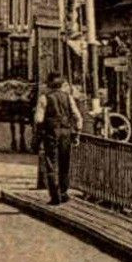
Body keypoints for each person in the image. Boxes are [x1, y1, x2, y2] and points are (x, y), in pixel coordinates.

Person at [34, 72, 85, 205]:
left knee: (51, 164)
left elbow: (38, 120)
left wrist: (37, 138)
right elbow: (78, 117)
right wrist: (77, 133)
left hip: (51, 133)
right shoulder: (68, 97)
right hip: (66, 133)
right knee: (65, 163)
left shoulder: (44, 98)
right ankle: (63, 192)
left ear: (49, 85)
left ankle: (55, 195)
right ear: (61, 85)